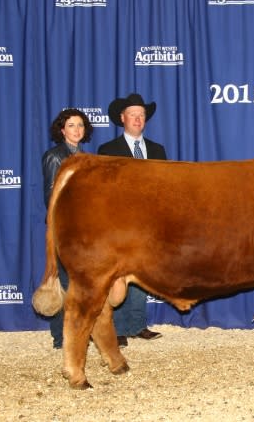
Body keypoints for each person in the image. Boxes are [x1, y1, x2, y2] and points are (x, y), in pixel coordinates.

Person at [98, 93, 166, 347]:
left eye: (142, 115)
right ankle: (117, 328)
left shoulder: (158, 151)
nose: (138, 119)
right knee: (118, 274)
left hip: (148, 224)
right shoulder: (108, 151)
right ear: (122, 118)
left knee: (140, 273)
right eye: (133, 115)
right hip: (119, 222)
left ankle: (137, 324)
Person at [41, 108, 93, 349]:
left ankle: (80, 331)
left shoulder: (86, 157)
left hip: (84, 228)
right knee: (63, 280)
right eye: (71, 125)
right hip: (64, 228)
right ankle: (61, 337)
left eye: (80, 125)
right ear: (62, 130)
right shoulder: (54, 156)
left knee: (80, 281)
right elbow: (52, 198)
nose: (77, 130)